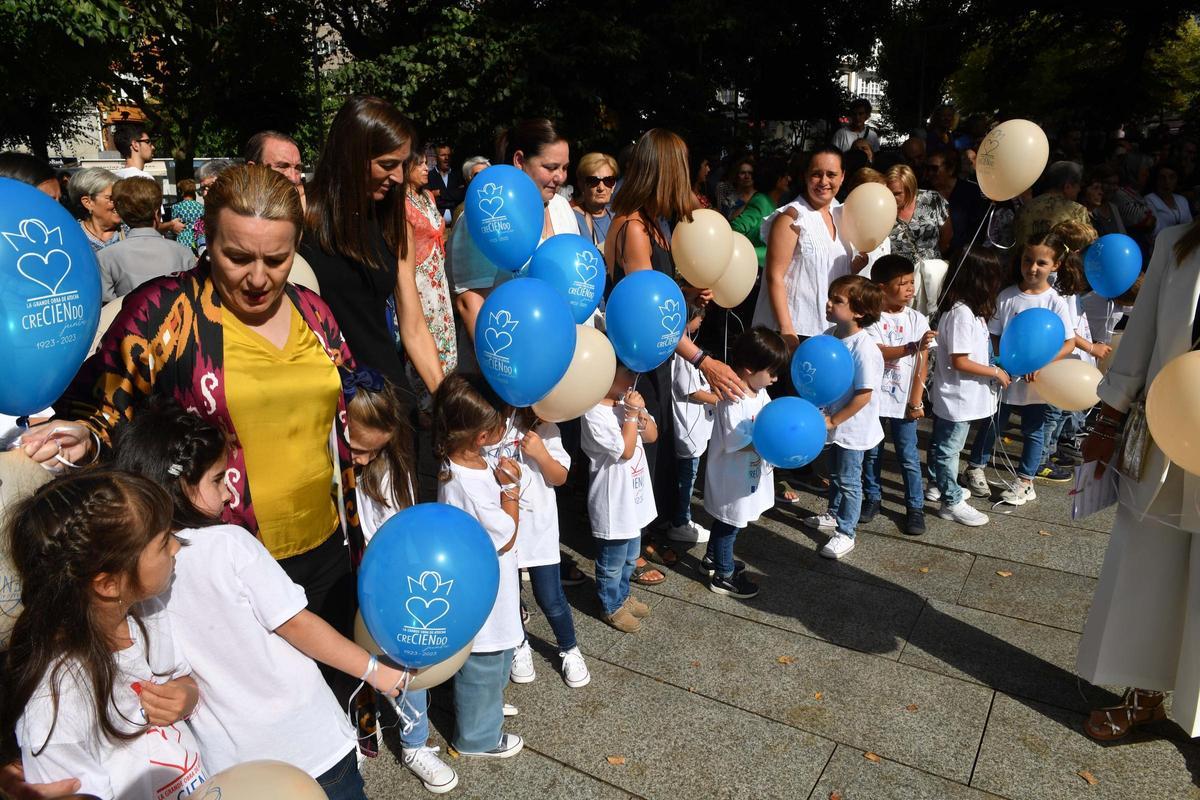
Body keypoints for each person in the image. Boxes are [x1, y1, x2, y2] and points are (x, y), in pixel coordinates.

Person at [22, 165, 366, 664]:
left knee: (329, 703)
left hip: (327, 547)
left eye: (277, 259)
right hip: (215, 565)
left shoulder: (313, 310)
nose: (257, 278)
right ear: (207, 235)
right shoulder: (164, 311)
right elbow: (99, 404)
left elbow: (348, 390)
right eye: (237, 256)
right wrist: (86, 435)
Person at [111, 399, 407, 797]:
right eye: (218, 480)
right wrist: (377, 672)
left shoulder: (134, 582)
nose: (231, 493)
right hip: (310, 745)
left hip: (235, 769)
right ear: (181, 486)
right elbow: (298, 625)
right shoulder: (230, 545)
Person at [2, 470, 204, 798]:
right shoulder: (55, 701)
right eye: (163, 541)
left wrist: (186, 694)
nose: (176, 547)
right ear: (109, 584)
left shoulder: (147, 611)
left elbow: (184, 677)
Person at [1076, 219, 1200, 741]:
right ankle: (1144, 696)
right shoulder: (1180, 243)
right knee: (1147, 567)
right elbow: (1142, 337)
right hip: (1168, 431)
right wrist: (1107, 418)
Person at [605, 128, 744, 577]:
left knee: (656, 446)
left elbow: (659, 304)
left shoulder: (654, 224)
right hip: (636, 362)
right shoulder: (635, 230)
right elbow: (645, 317)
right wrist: (705, 360)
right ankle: (629, 548)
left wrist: (687, 296)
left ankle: (648, 532)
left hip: (655, 357)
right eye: (681, 169)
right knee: (639, 449)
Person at [339, 369, 458, 793]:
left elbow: (402, 529)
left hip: (386, 584)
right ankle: (350, 731)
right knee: (343, 661)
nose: (367, 459)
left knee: (407, 658)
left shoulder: (390, 468)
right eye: (358, 450)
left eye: (376, 450)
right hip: (340, 580)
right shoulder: (329, 471)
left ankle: (414, 741)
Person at [301, 96, 443, 399]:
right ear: (351, 155)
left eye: (403, 165)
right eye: (387, 165)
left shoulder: (394, 224)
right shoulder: (302, 217)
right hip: (327, 402)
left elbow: (414, 326)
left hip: (388, 398)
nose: (399, 177)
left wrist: (446, 399)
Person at [432, 373, 525, 759]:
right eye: (498, 424)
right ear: (480, 437)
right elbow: (507, 535)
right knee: (484, 661)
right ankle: (477, 737)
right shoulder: (463, 484)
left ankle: (484, 707)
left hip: (492, 582)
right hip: (484, 589)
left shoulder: (464, 463)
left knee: (496, 656)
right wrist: (512, 492)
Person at [964, 230, 1077, 506]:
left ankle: (1026, 481)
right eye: (1028, 261)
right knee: (993, 424)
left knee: (1034, 430)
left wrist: (1041, 363)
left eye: (1041, 263)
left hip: (1037, 381)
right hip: (1008, 376)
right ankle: (974, 467)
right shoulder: (1007, 296)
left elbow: (1069, 342)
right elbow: (995, 335)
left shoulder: (1055, 301)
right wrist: (1003, 361)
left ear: (1055, 266)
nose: (1032, 268)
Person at [485, 405, 590, 689]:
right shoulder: (486, 424)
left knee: (550, 596)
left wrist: (541, 454)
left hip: (539, 528)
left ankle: (569, 648)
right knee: (510, 593)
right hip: (502, 527)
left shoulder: (545, 427)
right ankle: (519, 644)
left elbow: (560, 477)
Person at [451, 119, 580, 340]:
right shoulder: (483, 216)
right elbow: (470, 303)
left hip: (557, 351)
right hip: (506, 357)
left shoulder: (562, 207)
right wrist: (498, 365)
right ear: (520, 160)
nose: (561, 177)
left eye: (565, 167)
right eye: (551, 167)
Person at [701, 327, 788, 598]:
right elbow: (733, 440)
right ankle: (724, 575)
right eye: (771, 372)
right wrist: (769, 444)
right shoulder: (733, 397)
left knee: (727, 521)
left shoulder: (758, 392)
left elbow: (771, 418)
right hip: (732, 477)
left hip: (746, 473)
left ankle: (713, 558)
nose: (775, 378)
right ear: (750, 368)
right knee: (730, 524)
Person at [802, 275, 884, 559]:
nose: (828, 303)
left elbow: (864, 394)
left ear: (859, 311)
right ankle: (834, 514)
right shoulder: (828, 336)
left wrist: (835, 421)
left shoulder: (864, 348)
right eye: (830, 297)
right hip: (832, 422)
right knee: (835, 473)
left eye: (837, 300)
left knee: (849, 480)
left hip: (852, 428)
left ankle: (846, 531)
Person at [752, 146, 865, 349]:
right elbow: (773, 276)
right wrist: (787, 330)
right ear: (805, 176)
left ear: (842, 177)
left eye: (831, 175)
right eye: (816, 174)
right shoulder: (791, 217)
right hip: (793, 332)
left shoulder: (842, 213)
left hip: (830, 329)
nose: (823, 182)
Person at [926, 247, 1008, 527]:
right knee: (949, 449)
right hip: (957, 397)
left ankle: (939, 485)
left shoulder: (971, 312)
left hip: (962, 396)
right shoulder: (961, 313)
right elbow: (960, 360)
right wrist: (994, 371)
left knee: (945, 445)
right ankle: (951, 501)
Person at [581, 363, 658, 632]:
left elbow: (651, 435)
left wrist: (640, 414)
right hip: (612, 502)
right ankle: (610, 605)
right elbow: (625, 451)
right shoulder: (593, 414)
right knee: (612, 562)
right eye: (627, 373)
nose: (633, 379)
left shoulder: (625, 403)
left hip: (634, 499)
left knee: (630, 556)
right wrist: (632, 415)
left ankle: (622, 596)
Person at [861, 256, 933, 536]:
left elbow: (922, 362)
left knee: (908, 456)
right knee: (872, 453)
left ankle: (915, 507)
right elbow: (877, 351)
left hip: (904, 401)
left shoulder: (917, 318)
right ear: (881, 288)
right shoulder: (872, 319)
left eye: (912, 282)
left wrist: (916, 400)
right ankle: (872, 497)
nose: (910, 289)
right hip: (875, 399)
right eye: (902, 284)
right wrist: (911, 346)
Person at [403, 148, 457, 415]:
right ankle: (425, 405)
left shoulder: (426, 197)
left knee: (444, 332)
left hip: (437, 278)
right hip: (418, 280)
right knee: (425, 333)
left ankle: (442, 394)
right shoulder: (401, 203)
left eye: (427, 163)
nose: (427, 168)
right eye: (420, 164)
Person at [97, 177, 196, 302]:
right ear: (156, 213)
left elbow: (108, 306)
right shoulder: (183, 252)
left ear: (122, 215)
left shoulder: (105, 257)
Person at [667, 308, 717, 545]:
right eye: (700, 317)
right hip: (688, 426)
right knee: (687, 477)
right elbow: (690, 389)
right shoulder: (685, 352)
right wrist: (720, 399)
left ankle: (680, 518)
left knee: (687, 475)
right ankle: (680, 521)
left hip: (692, 426)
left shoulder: (682, 346)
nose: (702, 322)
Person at [923, 148, 988, 254]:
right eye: (927, 169)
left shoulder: (972, 192)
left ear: (951, 169)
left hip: (965, 256)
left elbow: (979, 230)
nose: (930, 173)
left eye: (934, 168)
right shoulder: (925, 194)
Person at [1012, 161, 1091, 247]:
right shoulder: (1078, 211)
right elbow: (1087, 245)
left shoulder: (1024, 208)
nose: (1079, 190)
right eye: (1077, 186)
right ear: (1067, 187)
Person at [886, 163, 951, 263]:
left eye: (897, 193)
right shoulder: (883, 209)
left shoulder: (931, 199)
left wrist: (934, 257)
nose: (892, 197)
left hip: (933, 271)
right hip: (901, 274)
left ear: (910, 188)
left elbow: (947, 234)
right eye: (889, 192)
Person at [731, 156, 789, 266]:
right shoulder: (761, 201)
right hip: (751, 268)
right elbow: (735, 228)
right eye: (785, 176)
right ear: (776, 179)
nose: (789, 179)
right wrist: (752, 253)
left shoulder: (772, 203)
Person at [244, 130, 306, 211]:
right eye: (282, 167)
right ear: (252, 169)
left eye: (297, 168)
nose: (293, 178)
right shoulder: (231, 215)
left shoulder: (307, 213)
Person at [67, 167, 124, 252]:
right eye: (111, 198)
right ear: (88, 203)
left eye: (119, 197)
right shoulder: (72, 237)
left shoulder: (131, 232)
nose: (119, 203)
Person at [1113, 152, 1157, 260]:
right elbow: (1145, 220)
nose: (1147, 174)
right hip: (1127, 252)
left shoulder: (1136, 194)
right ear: (1133, 171)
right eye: (1144, 170)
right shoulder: (1119, 194)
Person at [571, 152, 618, 250]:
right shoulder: (572, 218)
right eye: (593, 181)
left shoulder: (618, 217)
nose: (601, 188)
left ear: (613, 186)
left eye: (608, 181)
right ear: (581, 185)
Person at [1146, 164, 1194, 239]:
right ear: (1156, 180)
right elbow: (1156, 231)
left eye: (1172, 177)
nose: (1167, 182)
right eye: (1162, 178)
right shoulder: (1150, 199)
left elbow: (1190, 227)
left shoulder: (1182, 200)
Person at [1080, 165, 1126, 236]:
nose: (1114, 188)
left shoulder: (1114, 208)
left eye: (1116, 184)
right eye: (1109, 184)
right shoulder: (1082, 214)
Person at [427, 143, 464, 222]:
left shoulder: (457, 175)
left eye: (449, 155)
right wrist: (453, 197)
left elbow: (461, 195)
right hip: (437, 225)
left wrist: (440, 193)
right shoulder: (429, 176)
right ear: (436, 157)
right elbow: (430, 200)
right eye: (443, 155)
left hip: (455, 225)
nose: (446, 158)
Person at [451, 155, 491, 227]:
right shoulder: (461, 211)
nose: (483, 177)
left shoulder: (503, 203)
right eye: (477, 175)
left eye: (486, 173)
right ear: (468, 180)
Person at [716, 155, 756, 221]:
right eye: (743, 173)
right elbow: (727, 221)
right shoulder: (728, 201)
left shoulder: (762, 197)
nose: (747, 176)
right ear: (736, 176)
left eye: (750, 173)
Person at [170, 179, 205, 252]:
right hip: (198, 239)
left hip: (183, 239)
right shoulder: (201, 207)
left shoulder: (176, 207)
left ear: (182, 192)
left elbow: (173, 226)